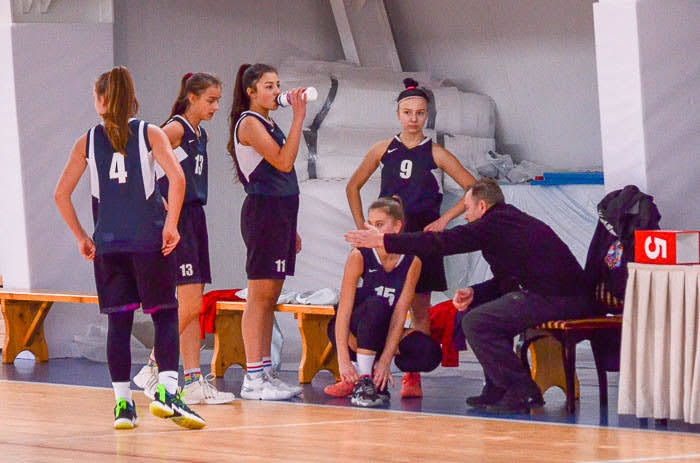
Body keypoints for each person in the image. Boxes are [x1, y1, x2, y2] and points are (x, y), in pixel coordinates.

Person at [345, 178, 594, 414]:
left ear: (482, 206)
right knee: (475, 313)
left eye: (467, 208)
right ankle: (498, 387)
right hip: (554, 294)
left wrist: (387, 242)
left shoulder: (495, 223)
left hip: (564, 299)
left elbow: (442, 242)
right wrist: (476, 292)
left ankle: (522, 390)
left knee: (478, 321)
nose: (465, 215)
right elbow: (508, 281)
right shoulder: (507, 224)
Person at [54, 66, 205, 429]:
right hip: (147, 242)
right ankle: (168, 391)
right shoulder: (149, 132)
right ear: (131, 96)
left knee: (118, 324)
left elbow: (60, 195)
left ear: (102, 100)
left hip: (108, 246)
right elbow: (178, 178)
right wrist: (171, 226)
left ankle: (123, 405)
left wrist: (82, 237)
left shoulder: (86, 141)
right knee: (166, 314)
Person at [345, 78, 475, 398]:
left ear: (427, 115)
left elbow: (474, 187)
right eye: (407, 112)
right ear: (398, 114)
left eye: (419, 113)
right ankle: (363, 373)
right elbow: (353, 186)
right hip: (387, 235)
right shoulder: (382, 149)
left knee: (419, 308)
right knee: (374, 302)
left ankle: (412, 374)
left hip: (421, 235)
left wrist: (445, 218)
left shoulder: (436, 152)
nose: (413, 118)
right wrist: (363, 225)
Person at [132, 72, 234, 405]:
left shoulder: (199, 133)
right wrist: (158, 205)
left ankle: (191, 380)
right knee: (190, 303)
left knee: (191, 303)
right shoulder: (173, 129)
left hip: (194, 218)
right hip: (177, 220)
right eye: (211, 100)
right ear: (191, 97)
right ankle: (151, 365)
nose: (216, 106)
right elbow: (139, 164)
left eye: (218, 100)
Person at [227, 63, 306, 400]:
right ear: (252, 91)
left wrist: (293, 228)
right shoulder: (249, 122)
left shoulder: (269, 122)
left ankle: (265, 371)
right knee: (258, 297)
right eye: (269, 86)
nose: (277, 92)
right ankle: (253, 377)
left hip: (282, 215)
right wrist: (300, 117)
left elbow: (284, 178)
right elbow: (284, 163)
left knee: (271, 297)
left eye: (278, 85)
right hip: (264, 215)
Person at [325, 197, 441, 407]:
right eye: (370, 224)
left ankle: (371, 372)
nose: (371, 230)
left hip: (383, 330)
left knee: (429, 353)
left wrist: (386, 360)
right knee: (377, 305)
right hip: (352, 328)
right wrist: (342, 359)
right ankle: (364, 380)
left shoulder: (412, 261)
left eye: (378, 225)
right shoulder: (359, 255)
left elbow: (399, 314)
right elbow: (344, 309)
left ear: (397, 227)